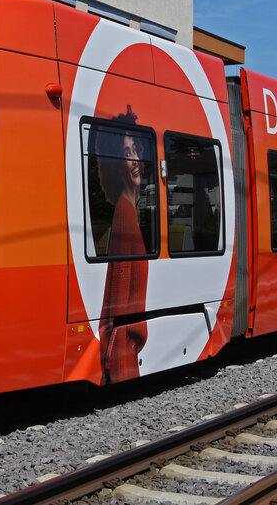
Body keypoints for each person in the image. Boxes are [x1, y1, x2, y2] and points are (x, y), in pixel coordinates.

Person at [95, 106, 149, 384]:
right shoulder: (126, 213)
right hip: (124, 352)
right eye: (126, 154)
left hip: (124, 346)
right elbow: (119, 303)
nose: (136, 159)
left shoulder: (126, 211)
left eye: (136, 150)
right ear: (117, 164)